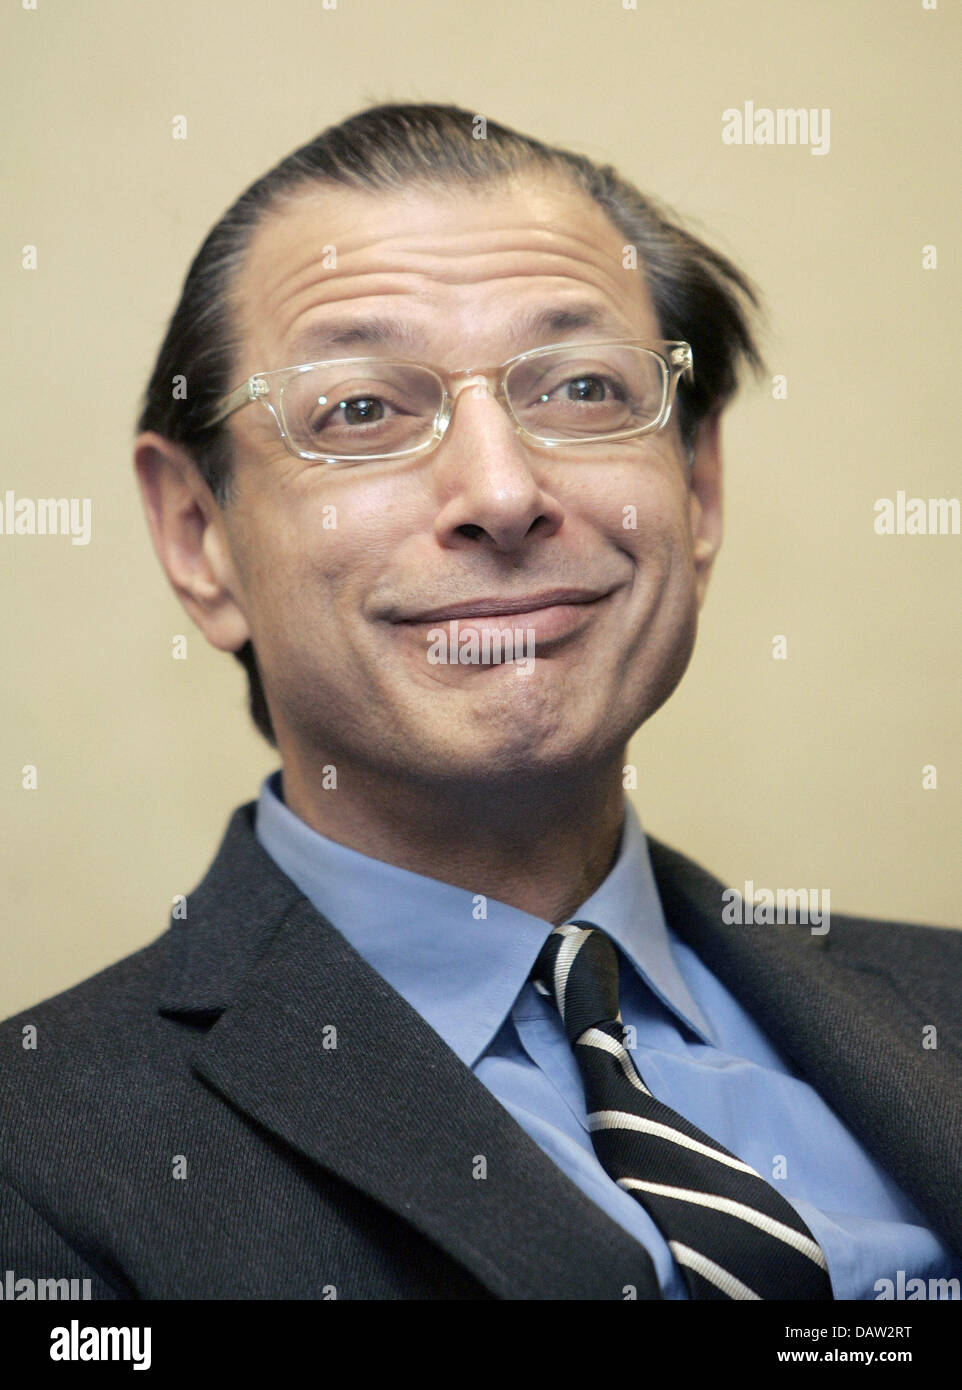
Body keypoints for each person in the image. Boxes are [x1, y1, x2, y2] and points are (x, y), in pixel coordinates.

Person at [1, 103, 960, 1302]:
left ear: (698, 489)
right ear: (200, 538)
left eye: (579, 389)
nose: (502, 492)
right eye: (360, 410)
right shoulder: (35, 1161)